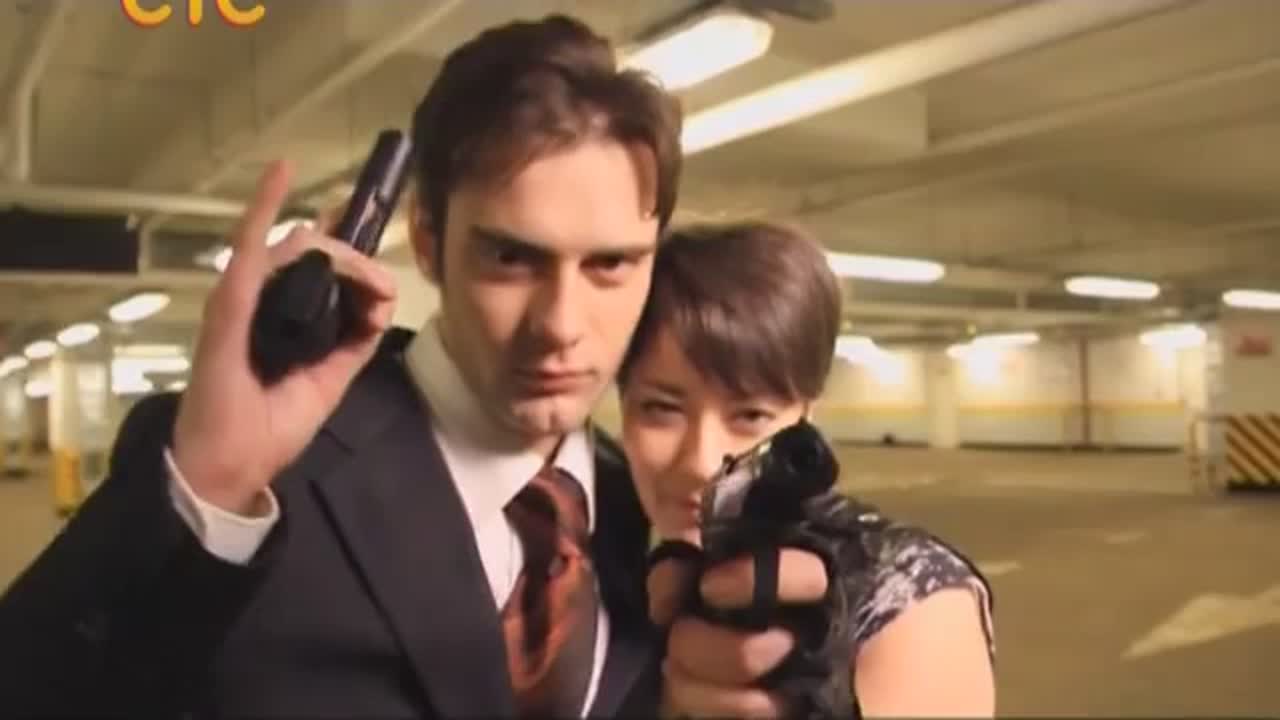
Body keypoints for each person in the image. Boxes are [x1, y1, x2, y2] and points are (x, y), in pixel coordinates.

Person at [0, 15, 828, 719]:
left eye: (611, 263)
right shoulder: (251, 473)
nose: (561, 326)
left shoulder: (640, 500)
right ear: (428, 239)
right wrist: (209, 486)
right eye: (511, 257)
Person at [617, 221, 998, 718]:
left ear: (805, 419)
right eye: (660, 409)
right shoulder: (606, 571)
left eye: (750, 415)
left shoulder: (909, 596)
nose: (701, 462)